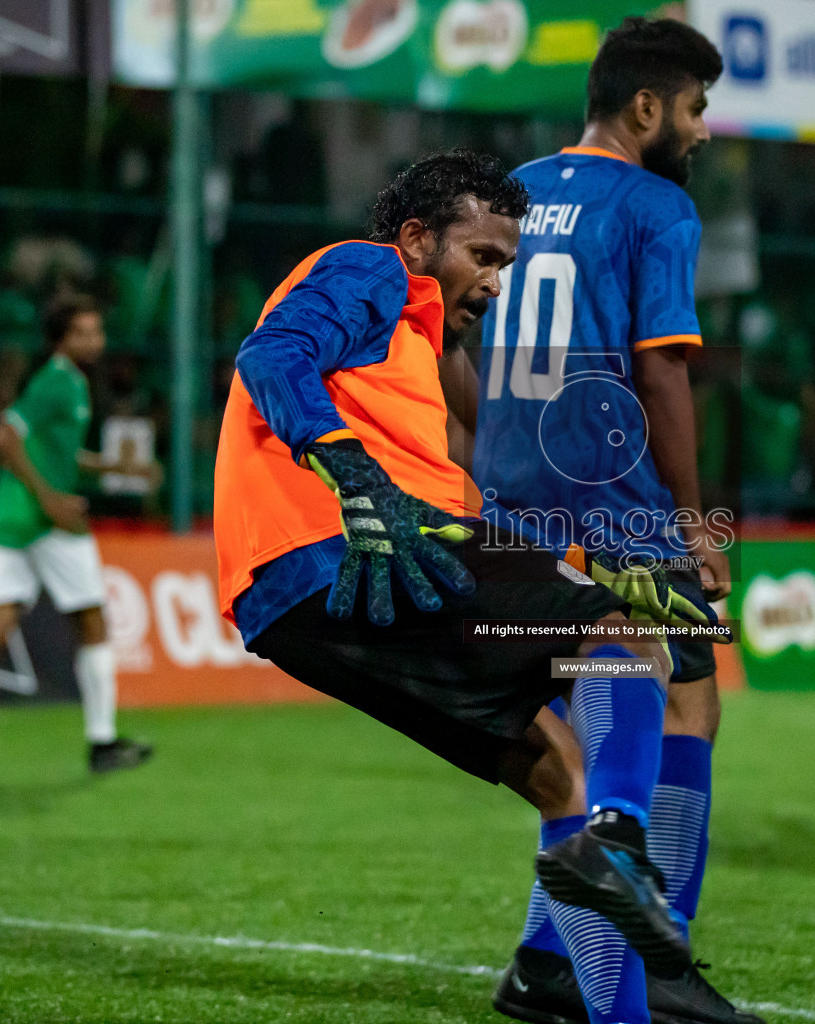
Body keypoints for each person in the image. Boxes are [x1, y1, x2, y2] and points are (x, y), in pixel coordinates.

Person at [212, 150, 728, 1024]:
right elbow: (275, 353)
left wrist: (601, 572)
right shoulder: (369, 269)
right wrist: (348, 470)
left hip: (307, 597)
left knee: (558, 772)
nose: (495, 281)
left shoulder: (417, 361)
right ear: (418, 239)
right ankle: (622, 841)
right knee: (624, 646)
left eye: (504, 264)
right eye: (482, 257)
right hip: (343, 548)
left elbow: (467, 520)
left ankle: (606, 973)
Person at [433, 19, 756, 1024]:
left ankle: (544, 961)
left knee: (581, 730)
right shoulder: (656, 204)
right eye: (696, 109)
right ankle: (655, 964)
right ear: (647, 109)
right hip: (615, 500)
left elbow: (454, 329)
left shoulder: (516, 189)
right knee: (685, 704)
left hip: (515, 497)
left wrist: (495, 448)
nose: (704, 130)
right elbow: (662, 365)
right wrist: (696, 520)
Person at [0, 296, 154, 778]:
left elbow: (56, 451)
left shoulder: (68, 383)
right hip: (44, 520)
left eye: (97, 331)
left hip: (11, 517)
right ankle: (102, 743)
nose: (96, 341)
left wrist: (113, 466)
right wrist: (50, 500)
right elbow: (4, 438)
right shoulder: (57, 381)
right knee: (93, 621)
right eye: (84, 333)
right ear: (61, 340)